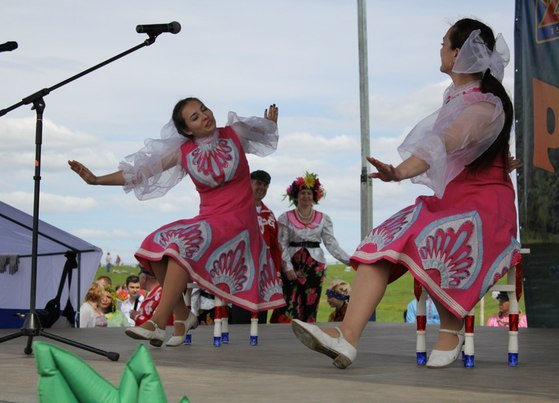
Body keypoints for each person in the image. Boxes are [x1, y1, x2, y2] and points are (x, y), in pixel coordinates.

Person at [292, 18, 521, 369]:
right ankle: (347, 337)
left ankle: (452, 325)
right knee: (378, 243)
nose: (440, 48)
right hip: (450, 200)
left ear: (458, 53)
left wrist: (399, 172)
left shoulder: (484, 105)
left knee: (438, 241)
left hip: (484, 206)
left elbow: (442, 144)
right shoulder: (457, 99)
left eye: (444, 42)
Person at [69, 98, 284, 347]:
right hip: (210, 222)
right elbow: (141, 172)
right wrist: (96, 180)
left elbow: (266, 135)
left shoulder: (234, 133)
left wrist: (268, 124)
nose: (204, 116)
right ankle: (183, 314)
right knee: (155, 243)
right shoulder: (184, 152)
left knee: (183, 244)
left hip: (239, 224)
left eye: (204, 109)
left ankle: (159, 321)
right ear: (186, 131)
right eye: (194, 117)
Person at [270, 172, 350, 324]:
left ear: (315, 196)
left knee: (310, 303)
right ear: (295, 196)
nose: (306, 196)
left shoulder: (324, 218)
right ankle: (286, 334)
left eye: (309, 193)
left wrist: (350, 261)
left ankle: (308, 333)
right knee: (290, 301)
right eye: (302, 193)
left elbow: (331, 243)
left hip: (315, 266)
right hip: (293, 264)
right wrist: (287, 267)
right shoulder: (285, 217)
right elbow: (282, 244)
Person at [230, 169, 282, 325]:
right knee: (240, 314)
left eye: (266, 185)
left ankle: (257, 346)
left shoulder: (269, 215)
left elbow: (274, 247)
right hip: (241, 270)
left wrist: (277, 272)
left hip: (263, 272)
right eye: (258, 183)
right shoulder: (236, 209)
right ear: (249, 183)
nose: (262, 188)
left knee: (260, 317)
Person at [131, 268, 175, 335]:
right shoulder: (152, 294)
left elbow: (157, 325)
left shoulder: (161, 294)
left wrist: (137, 317)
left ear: (144, 278)